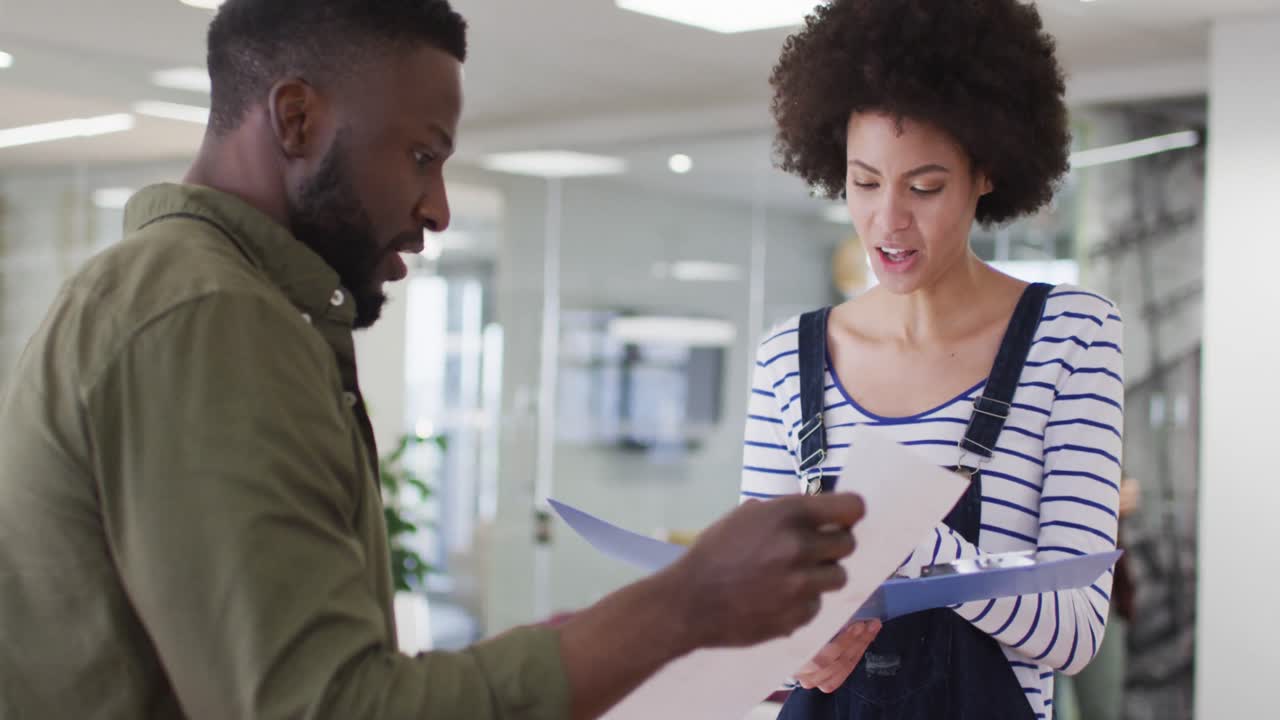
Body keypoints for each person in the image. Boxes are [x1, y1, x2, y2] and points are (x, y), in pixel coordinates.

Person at [0, 2, 869, 718]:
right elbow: (325, 708)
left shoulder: (199, 300)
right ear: (296, 118)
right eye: (422, 155)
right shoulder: (211, 317)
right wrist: (685, 603)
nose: (440, 207)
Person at [740, 1, 1125, 718]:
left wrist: (913, 542)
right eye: (863, 182)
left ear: (987, 171)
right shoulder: (787, 359)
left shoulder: (1071, 337)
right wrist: (795, 646)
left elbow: (1075, 628)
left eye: (924, 187)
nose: (888, 221)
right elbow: (756, 616)